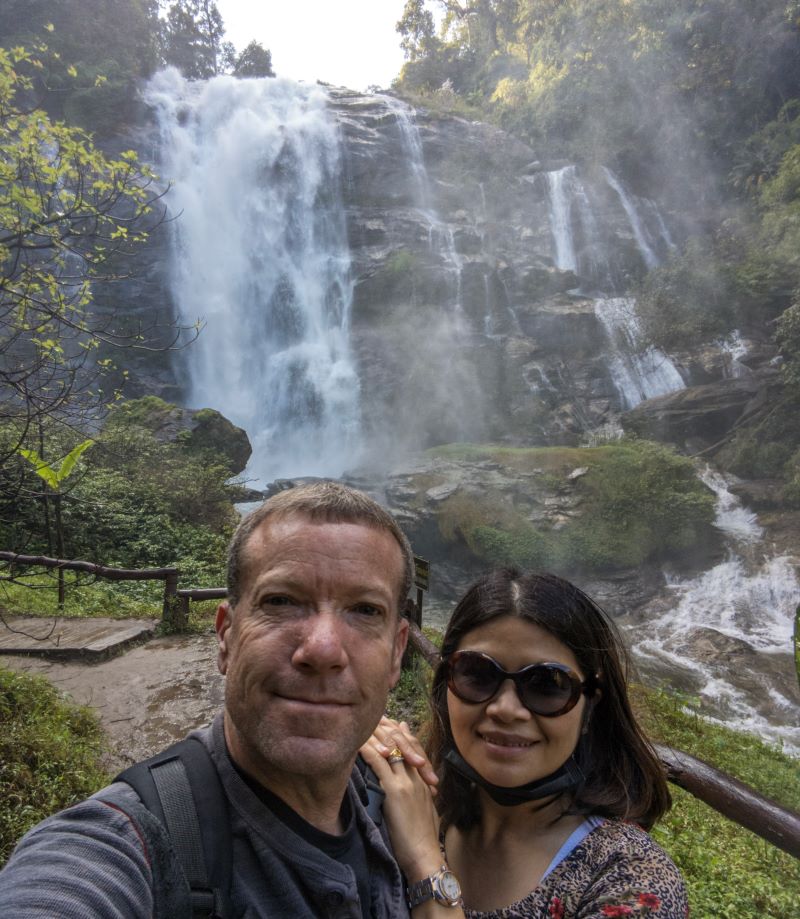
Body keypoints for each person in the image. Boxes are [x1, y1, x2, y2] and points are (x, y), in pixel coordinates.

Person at [0, 481, 436, 918]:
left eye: (364, 610)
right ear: (226, 634)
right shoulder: (122, 844)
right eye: (281, 601)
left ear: (397, 651)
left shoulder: (396, 796)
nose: (322, 649)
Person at [361, 569, 689, 918]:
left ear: (591, 704)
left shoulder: (629, 879)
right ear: (448, 686)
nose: (506, 709)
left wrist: (426, 865)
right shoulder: (409, 806)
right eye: (477, 674)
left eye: (547, 684)